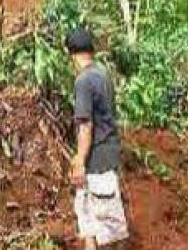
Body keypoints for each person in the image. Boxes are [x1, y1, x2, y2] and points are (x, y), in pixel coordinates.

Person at [67, 28, 129, 249]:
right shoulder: (103, 74)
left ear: (71, 54)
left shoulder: (83, 81)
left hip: (96, 162)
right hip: (106, 156)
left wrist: (80, 160)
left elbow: (85, 125)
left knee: (108, 231)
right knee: (89, 225)